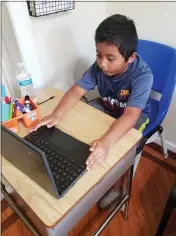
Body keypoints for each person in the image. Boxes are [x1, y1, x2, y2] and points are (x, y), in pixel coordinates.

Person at [32, 14, 153, 209]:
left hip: (134, 117)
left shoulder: (143, 75)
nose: (102, 63)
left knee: (115, 149)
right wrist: (57, 114)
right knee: (76, 127)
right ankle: (80, 169)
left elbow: (131, 115)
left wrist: (106, 142)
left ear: (130, 57)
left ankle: (118, 185)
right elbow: (76, 90)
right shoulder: (99, 67)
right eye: (98, 55)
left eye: (110, 58)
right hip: (106, 107)